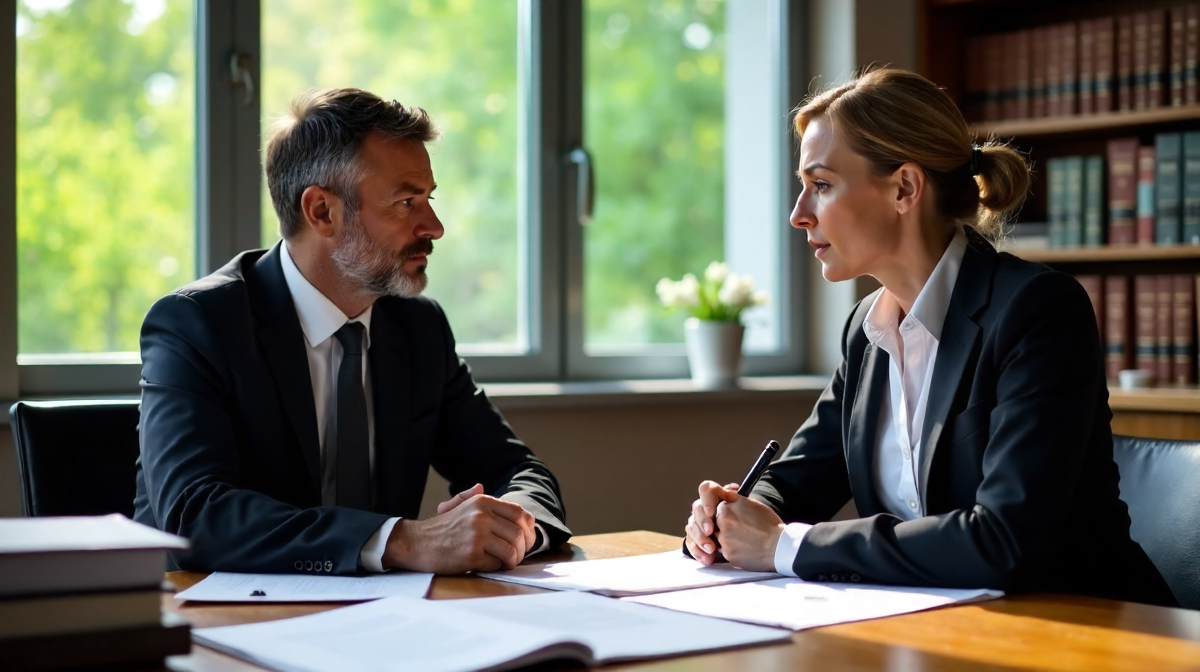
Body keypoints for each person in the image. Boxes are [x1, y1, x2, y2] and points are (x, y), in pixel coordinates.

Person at [683, 68, 1176, 607]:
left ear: (905, 188)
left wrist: (784, 545)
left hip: (1086, 634)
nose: (798, 214)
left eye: (821, 185)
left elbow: (1005, 540)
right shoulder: (866, 330)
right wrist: (732, 515)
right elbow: (798, 482)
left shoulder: (1037, 311)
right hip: (942, 631)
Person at [134, 88, 570, 575]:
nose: (435, 226)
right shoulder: (197, 323)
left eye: (429, 198)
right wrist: (401, 541)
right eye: (406, 202)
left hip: (382, 623)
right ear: (321, 211)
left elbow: (517, 472)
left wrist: (514, 529)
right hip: (212, 625)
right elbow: (195, 515)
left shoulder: (419, 328)